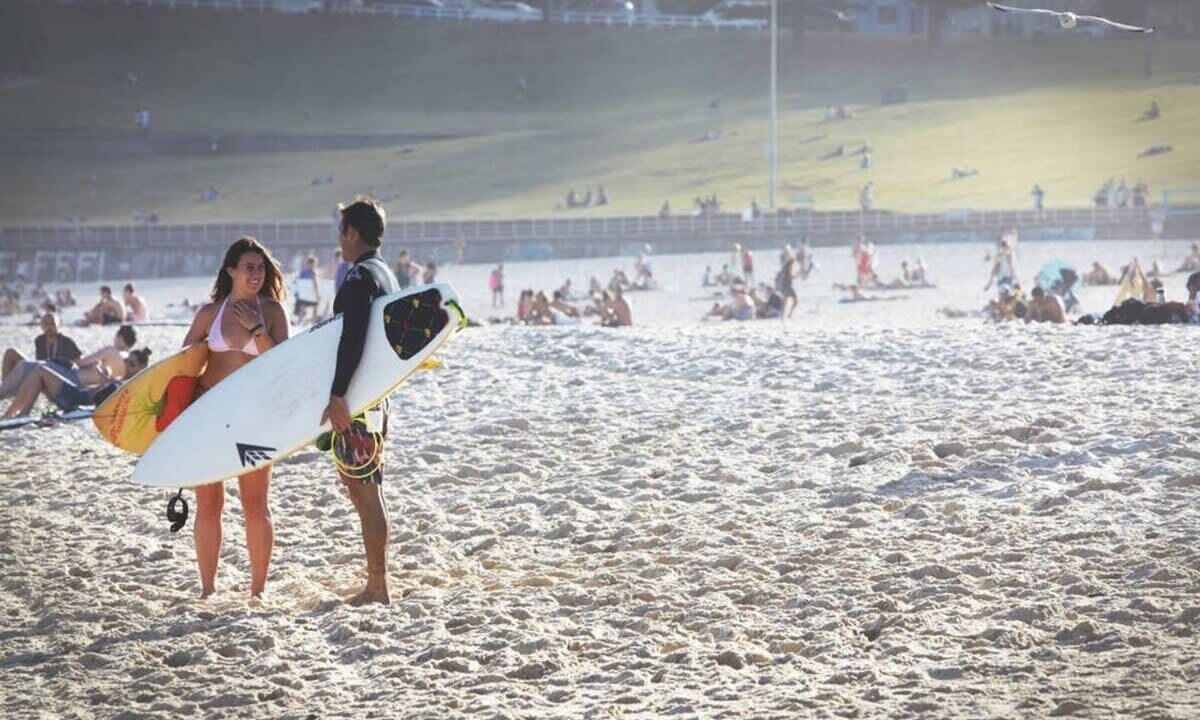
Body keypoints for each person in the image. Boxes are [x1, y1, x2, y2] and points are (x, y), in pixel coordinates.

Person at [181, 237, 290, 599]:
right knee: (209, 505)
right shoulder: (209, 314)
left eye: (261, 267)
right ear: (231, 271)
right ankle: (208, 589)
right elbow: (182, 367)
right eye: (249, 267)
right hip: (208, 417)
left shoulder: (272, 311)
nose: (256, 273)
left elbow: (284, 367)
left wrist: (258, 329)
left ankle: (257, 590)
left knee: (255, 505)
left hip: (254, 418)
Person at [319, 198, 402, 606]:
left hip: (357, 401)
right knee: (368, 489)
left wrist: (337, 396)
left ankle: (377, 586)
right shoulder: (385, 273)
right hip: (376, 397)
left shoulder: (357, 278)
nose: (340, 240)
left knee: (365, 491)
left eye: (341, 231)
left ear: (352, 233)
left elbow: (352, 339)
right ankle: (377, 582)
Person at [2, 349, 150, 419]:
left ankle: (23, 413)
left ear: (140, 368)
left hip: (77, 397)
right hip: (77, 396)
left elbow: (100, 399)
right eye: (127, 360)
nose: (126, 364)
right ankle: (12, 415)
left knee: (41, 371)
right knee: (38, 377)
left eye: (131, 363)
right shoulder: (120, 381)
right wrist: (105, 379)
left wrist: (105, 379)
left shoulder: (125, 384)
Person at [0, 310, 85, 401]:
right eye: (46, 324)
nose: (49, 327)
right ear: (41, 326)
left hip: (57, 376)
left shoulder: (66, 341)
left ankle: (5, 389)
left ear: (59, 325)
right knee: (11, 352)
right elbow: (39, 360)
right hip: (40, 369)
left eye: (52, 323)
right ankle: (5, 387)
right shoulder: (39, 340)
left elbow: (79, 363)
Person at [293, 255, 321, 324]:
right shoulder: (313, 273)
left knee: (302, 306)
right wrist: (318, 295)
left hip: (303, 296)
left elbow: (298, 283)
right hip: (311, 296)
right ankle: (313, 321)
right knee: (316, 305)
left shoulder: (302, 272)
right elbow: (315, 285)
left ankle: (299, 321)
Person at [776, 247, 800, 319]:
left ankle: (782, 315)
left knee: (785, 301)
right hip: (788, 286)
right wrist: (797, 275)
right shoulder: (789, 266)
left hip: (783, 286)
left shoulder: (785, 266)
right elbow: (790, 276)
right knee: (796, 300)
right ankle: (789, 314)